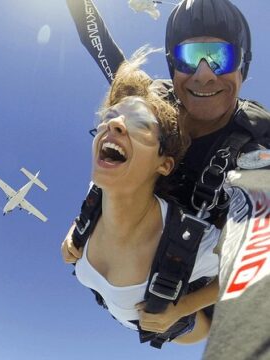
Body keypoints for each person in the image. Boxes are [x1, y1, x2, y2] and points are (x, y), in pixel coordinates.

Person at [63, 0, 270, 356]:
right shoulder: (151, 98)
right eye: (191, 57)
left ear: (244, 65)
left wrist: (183, 308)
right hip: (130, 251)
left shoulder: (260, 138)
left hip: (197, 279)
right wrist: (82, 226)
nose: (205, 74)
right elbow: (94, 36)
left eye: (221, 57)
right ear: (172, 66)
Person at [66, 50, 220, 346]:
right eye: (110, 117)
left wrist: (183, 308)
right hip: (115, 309)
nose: (114, 124)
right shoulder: (96, 195)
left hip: (178, 326)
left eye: (139, 123)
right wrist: (74, 232)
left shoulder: (184, 238)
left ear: (164, 163)